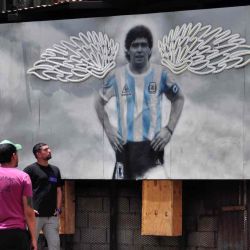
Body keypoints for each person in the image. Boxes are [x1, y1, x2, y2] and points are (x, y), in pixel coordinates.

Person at [95, 25, 184, 179]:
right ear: (128, 51)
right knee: (122, 193)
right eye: (135, 45)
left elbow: (178, 98)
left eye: (144, 45)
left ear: (150, 50)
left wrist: (169, 129)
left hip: (151, 147)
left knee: (156, 191)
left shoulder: (161, 74)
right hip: (124, 148)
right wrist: (108, 129)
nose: (140, 49)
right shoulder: (117, 76)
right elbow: (99, 103)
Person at [24, 143, 63, 250]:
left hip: (52, 216)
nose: (49, 150)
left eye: (49, 148)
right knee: (32, 245)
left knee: (55, 246)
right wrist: (29, 209)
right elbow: (24, 192)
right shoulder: (29, 170)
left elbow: (59, 190)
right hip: (35, 216)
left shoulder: (55, 170)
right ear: (38, 154)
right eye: (46, 149)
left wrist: (58, 209)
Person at [0, 139, 37, 250]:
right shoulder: (23, 177)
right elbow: (29, 210)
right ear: (14, 156)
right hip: (16, 234)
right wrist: (34, 238)